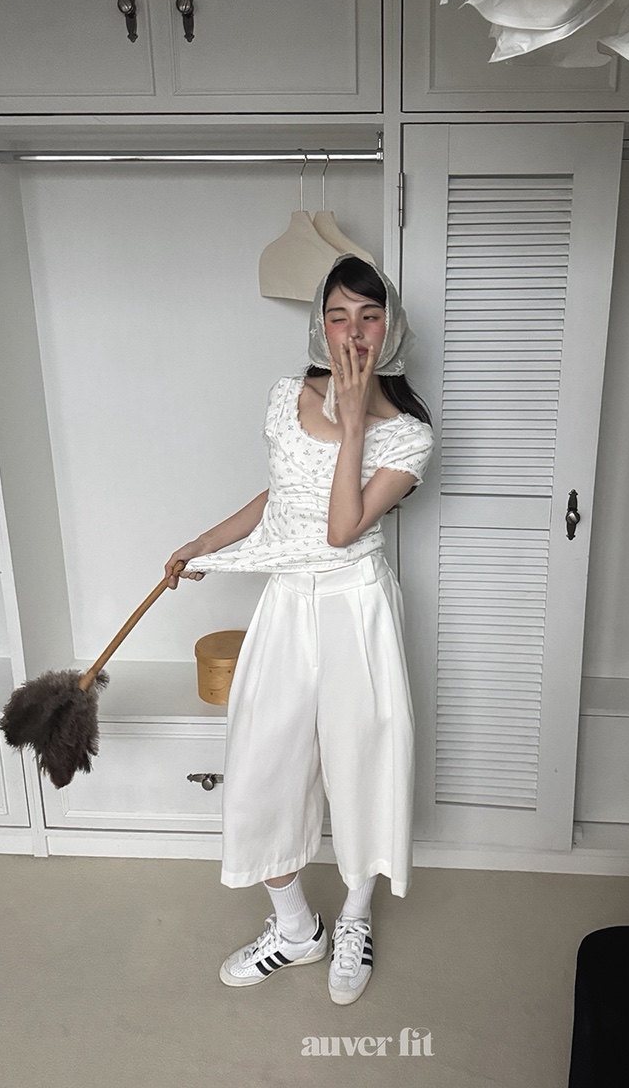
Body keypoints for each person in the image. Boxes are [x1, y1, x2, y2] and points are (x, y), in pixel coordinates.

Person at [165, 254, 434, 1005]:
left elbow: (342, 528)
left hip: (356, 605)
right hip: (287, 601)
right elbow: (282, 496)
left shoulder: (409, 436)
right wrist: (206, 543)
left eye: (370, 315)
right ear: (321, 326)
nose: (354, 331)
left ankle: (354, 918)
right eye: (339, 315)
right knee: (262, 762)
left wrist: (352, 424)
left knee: (362, 761)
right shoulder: (287, 395)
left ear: (392, 328)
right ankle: (294, 929)